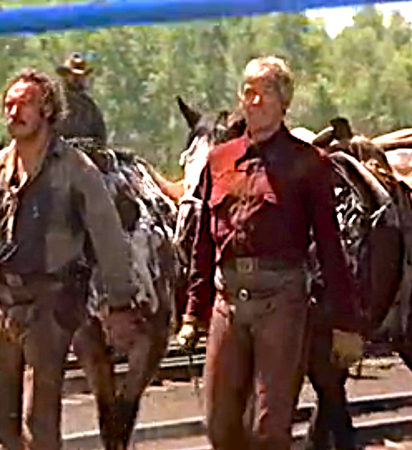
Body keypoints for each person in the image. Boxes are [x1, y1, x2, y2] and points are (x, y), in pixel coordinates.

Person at [177, 56, 363, 450]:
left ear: (284, 102)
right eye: (248, 92)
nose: (254, 100)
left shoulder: (308, 163)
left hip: (282, 301)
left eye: (265, 92)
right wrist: (194, 312)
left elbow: (330, 246)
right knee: (220, 425)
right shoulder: (219, 160)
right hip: (228, 301)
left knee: (269, 429)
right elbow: (203, 243)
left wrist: (346, 324)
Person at [0, 68, 138, 450]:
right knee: (4, 426)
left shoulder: (75, 169)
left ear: (47, 109)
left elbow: (108, 237)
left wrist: (120, 303)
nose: (13, 112)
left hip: (52, 304)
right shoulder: (1, 167)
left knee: (40, 421)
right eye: (8, 104)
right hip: (5, 303)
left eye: (24, 103)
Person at [55, 52, 107, 147]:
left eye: (81, 76)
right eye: (74, 76)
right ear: (66, 76)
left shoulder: (90, 106)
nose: (78, 79)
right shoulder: (55, 101)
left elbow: (100, 136)